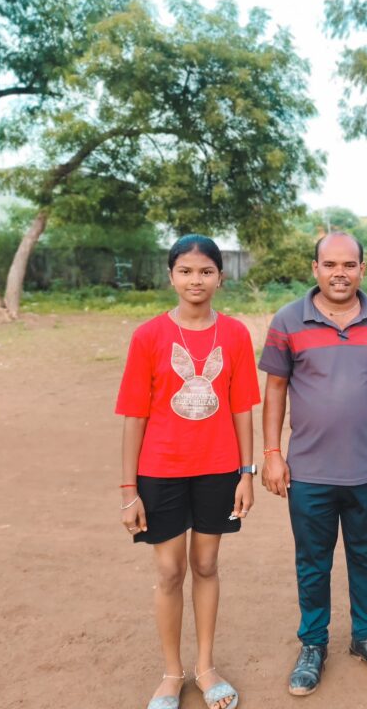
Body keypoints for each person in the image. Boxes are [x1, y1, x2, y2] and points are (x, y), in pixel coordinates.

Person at [259, 232, 367, 697]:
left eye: (349, 265)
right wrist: (272, 454)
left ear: (362, 269)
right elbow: (275, 390)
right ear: (315, 269)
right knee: (313, 563)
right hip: (308, 473)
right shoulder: (288, 321)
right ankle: (313, 644)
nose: (339, 273)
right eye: (330, 265)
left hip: (366, 470)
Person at [117, 234, 260, 709]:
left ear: (220, 277)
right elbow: (135, 415)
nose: (195, 280)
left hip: (218, 470)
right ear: (171, 276)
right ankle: (171, 673)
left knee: (205, 565)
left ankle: (205, 666)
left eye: (205, 271)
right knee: (169, 570)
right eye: (185, 271)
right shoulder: (149, 336)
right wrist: (129, 490)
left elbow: (242, 408)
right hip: (160, 470)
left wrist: (246, 473)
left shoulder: (234, 335)